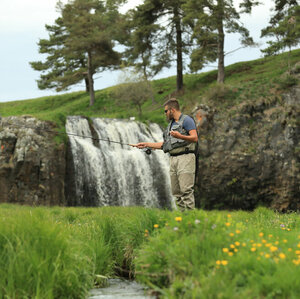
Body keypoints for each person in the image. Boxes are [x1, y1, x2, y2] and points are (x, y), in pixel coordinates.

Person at [131, 98, 198, 211]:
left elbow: (195, 138)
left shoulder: (187, 120)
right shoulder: (170, 126)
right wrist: (147, 144)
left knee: (186, 190)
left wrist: (180, 136)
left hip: (185, 158)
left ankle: (191, 220)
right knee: (176, 192)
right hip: (173, 159)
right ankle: (183, 218)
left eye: (166, 111)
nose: (165, 114)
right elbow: (165, 145)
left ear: (172, 110)